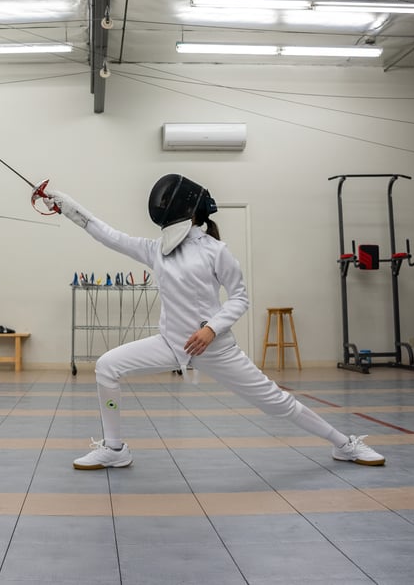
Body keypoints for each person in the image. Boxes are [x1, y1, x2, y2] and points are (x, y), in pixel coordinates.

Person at [43, 174, 385, 470]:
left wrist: (211, 329)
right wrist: (67, 205)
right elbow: (106, 233)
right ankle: (114, 449)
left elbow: (239, 297)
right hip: (169, 344)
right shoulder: (155, 249)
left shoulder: (215, 250)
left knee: (276, 402)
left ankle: (344, 443)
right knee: (107, 366)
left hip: (216, 348)